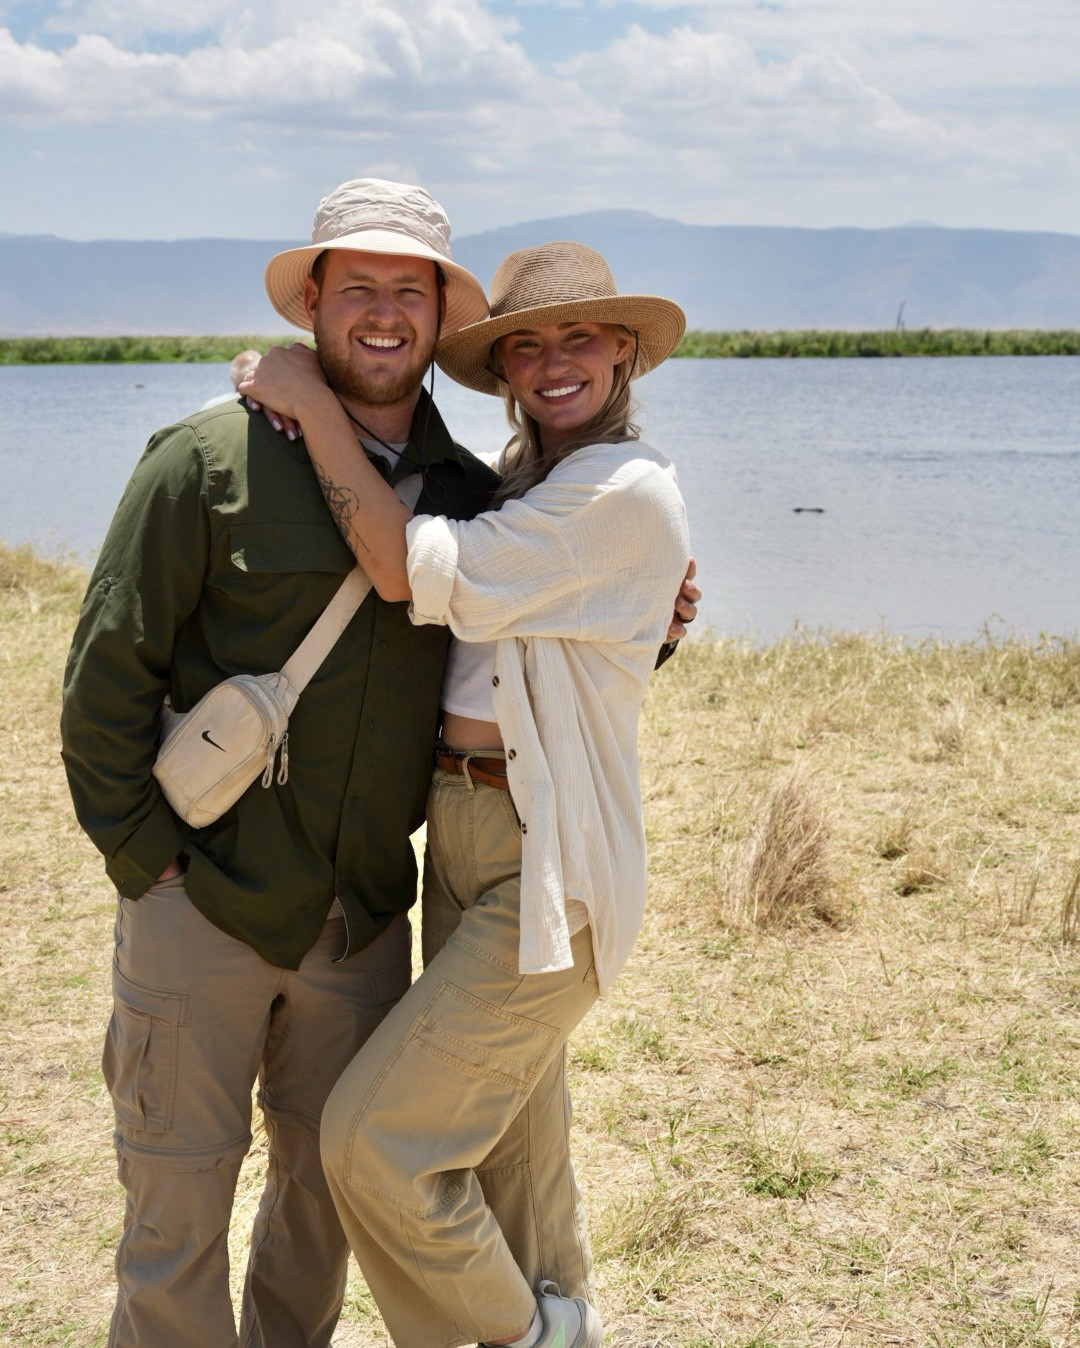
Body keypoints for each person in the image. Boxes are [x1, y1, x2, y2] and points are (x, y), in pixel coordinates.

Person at [60, 178, 698, 1348]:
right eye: (358, 286)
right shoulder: (206, 459)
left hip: (361, 918)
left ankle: (534, 1326)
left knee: (326, 1207)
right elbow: (104, 680)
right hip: (197, 899)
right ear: (312, 299)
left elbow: (508, 602)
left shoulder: (471, 493)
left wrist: (654, 612)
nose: (386, 313)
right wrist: (147, 864)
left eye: (413, 289)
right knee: (174, 1222)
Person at [241, 238, 692, 1348]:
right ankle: (552, 1309)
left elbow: (404, 568)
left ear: (625, 350)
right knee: (510, 1149)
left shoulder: (621, 488)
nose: (552, 362)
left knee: (373, 1142)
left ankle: (526, 1336)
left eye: (579, 336)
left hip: (551, 848)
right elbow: (546, 628)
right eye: (526, 345)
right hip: (463, 822)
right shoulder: (528, 486)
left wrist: (306, 393)